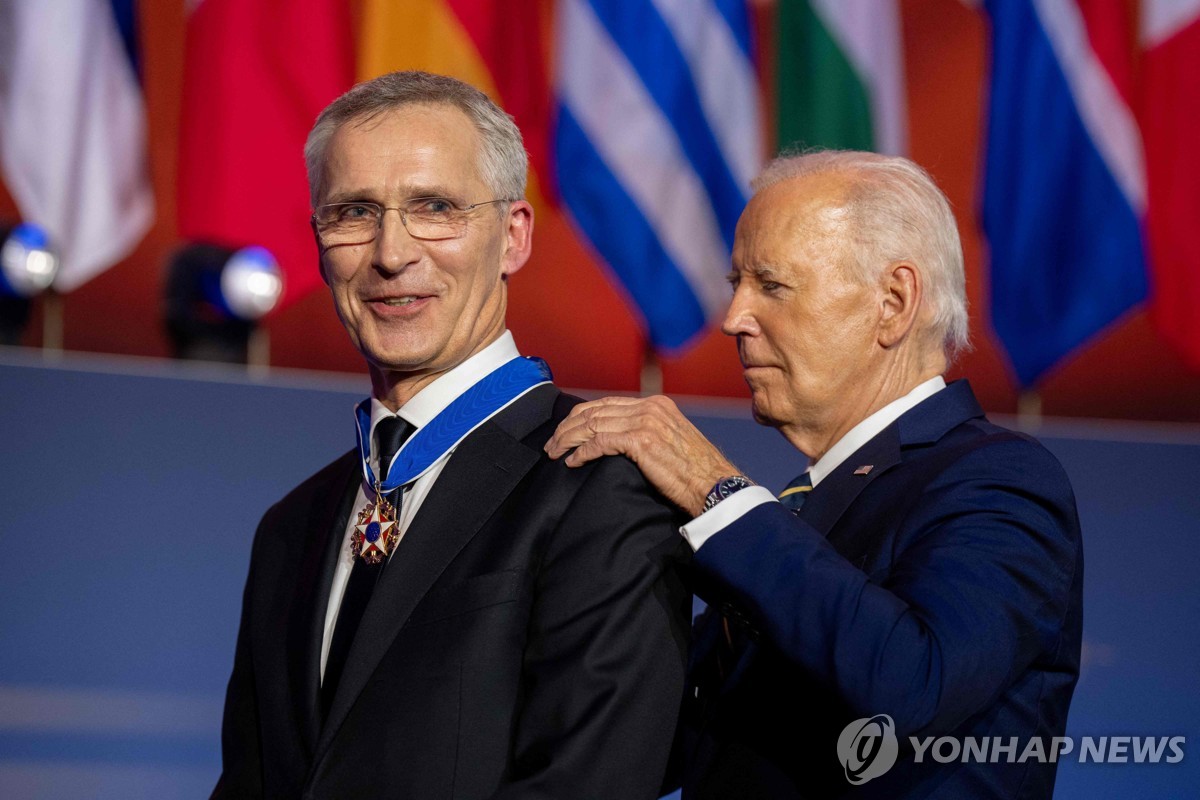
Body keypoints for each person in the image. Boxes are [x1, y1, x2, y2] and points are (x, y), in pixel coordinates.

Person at [547, 151, 1083, 799]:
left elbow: (911, 685)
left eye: (771, 285)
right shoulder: (794, 517)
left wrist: (714, 489)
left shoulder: (999, 478)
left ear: (893, 301)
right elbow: (656, 753)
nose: (733, 318)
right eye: (737, 282)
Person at [213, 71, 690, 799]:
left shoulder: (600, 480)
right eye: (353, 212)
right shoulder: (290, 529)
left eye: (434, 208)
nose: (391, 253)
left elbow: (590, 784)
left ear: (513, 237)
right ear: (317, 241)